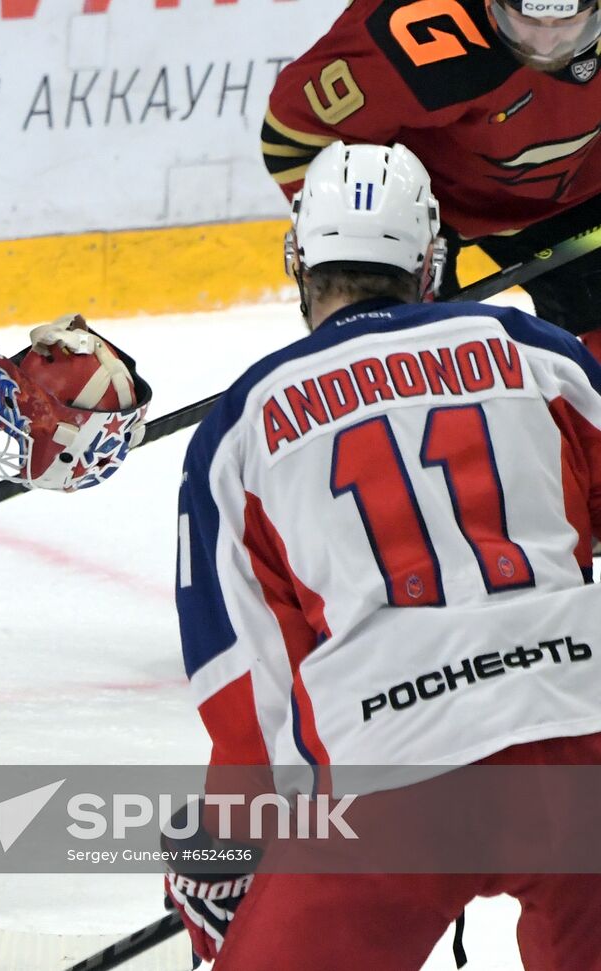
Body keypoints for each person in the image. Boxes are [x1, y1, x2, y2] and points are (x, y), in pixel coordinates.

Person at [165, 141, 601, 968]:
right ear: (431, 260)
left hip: (392, 772)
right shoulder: (540, 355)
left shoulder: (241, 427)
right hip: (580, 736)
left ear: (297, 260)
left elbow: (245, 687)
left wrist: (232, 852)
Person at [262, 0, 601, 358]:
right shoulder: (406, 34)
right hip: (425, 206)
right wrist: (365, 236)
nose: (546, 45)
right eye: (526, 21)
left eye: (566, 23)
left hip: (582, 190)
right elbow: (292, 138)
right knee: (408, 361)